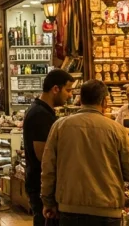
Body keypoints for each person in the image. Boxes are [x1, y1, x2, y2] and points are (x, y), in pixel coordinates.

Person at [41, 80, 129, 225]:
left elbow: (48, 168)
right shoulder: (117, 130)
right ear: (105, 102)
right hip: (107, 209)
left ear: (80, 100)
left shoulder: (60, 126)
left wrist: (48, 202)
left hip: (69, 208)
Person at [23, 70, 75, 226]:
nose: (70, 95)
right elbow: (44, 155)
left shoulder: (42, 111)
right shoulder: (40, 114)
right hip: (41, 185)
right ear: (55, 89)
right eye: (68, 90)